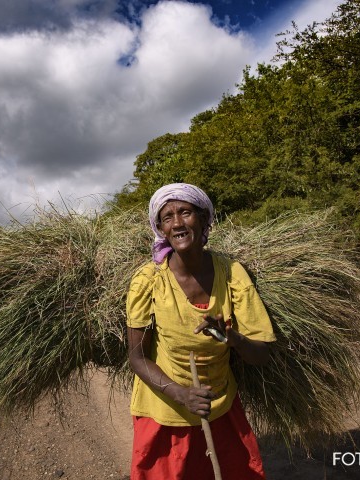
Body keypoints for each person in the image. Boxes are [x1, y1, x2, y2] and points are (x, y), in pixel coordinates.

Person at [127, 183, 276, 480]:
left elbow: (263, 353)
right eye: (167, 217)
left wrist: (232, 338)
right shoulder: (147, 281)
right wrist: (181, 394)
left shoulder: (231, 273)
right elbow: (137, 358)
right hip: (165, 411)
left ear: (205, 219)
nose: (178, 223)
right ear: (161, 229)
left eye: (186, 212)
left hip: (218, 405)